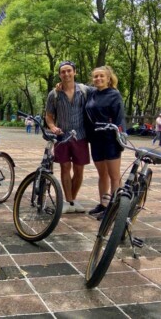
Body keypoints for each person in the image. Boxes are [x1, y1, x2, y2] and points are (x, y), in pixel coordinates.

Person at [45, 60, 89, 214]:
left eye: (69, 70)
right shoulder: (54, 94)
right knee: (65, 167)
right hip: (62, 136)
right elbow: (49, 116)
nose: (66, 74)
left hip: (81, 135)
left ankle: (73, 200)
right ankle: (68, 201)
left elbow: (100, 96)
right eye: (63, 72)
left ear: (74, 72)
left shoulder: (85, 91)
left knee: (79, 169)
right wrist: (52, 127)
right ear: (59, 75)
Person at [85, 66, 126, 220]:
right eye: (95, 76)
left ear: (108, 78)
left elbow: (119, 118)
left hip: (111, 139)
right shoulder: (91, 94)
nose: (98, 79)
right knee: (102, 174)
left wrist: (119, 137)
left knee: (114, 175)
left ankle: (115, 208)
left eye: (102, 76)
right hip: (96, 139)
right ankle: (103, 204)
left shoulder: (114, 95)